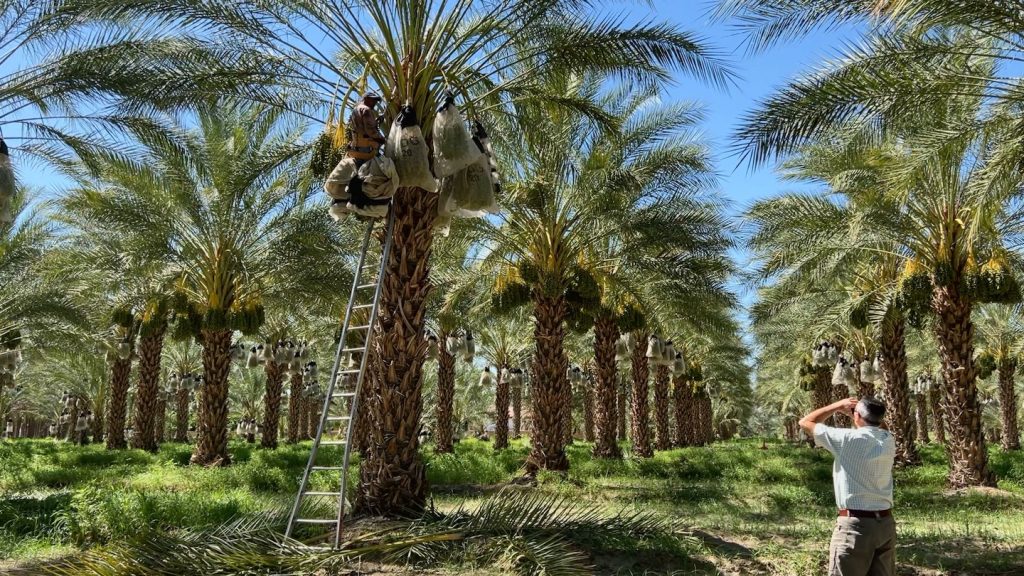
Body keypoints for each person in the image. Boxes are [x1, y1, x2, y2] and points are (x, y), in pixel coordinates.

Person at [799, 396, 896, 576]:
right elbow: (880, 427)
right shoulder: (887, 440)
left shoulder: (845, 439)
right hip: (885, 525)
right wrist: (860, 415)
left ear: (857, 416)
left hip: (855, 527)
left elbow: (806, 422)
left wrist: (837, 406)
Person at [347, 92, 386, 161]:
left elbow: (360, 128)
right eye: (373, 100)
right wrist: (383, 140)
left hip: (355, 150)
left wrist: (376, 122)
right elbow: (371, 131)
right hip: (367, 151)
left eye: (376, 101)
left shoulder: (355, 110)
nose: (375, 103)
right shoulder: (366, 110)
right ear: (366, 99)